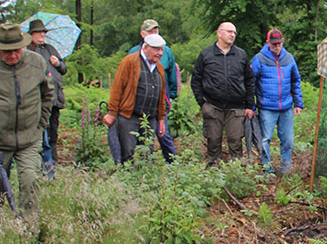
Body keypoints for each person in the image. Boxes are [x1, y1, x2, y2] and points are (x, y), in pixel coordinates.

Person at [0, 22, 53, 216]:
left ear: (23, 46)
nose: (12, 55)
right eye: (6, 51)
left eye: (16, 50)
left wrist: (41, 124)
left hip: (29, 138)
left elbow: (48, 94)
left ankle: (29, 231)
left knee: (30, 179)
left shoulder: (36, 63)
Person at [191, 22, 256, 165]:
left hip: (236, 106)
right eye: (229, 31)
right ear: (219, 33)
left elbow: (249, 79)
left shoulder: (241, 54)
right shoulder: (206, 54)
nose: (232, 35)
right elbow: (196, 79)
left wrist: (249, 105)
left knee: (235, 141)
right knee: (213, 140)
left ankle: (236, 173)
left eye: (234, 32)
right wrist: (202, 103)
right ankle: (214, 173)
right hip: (213, 105)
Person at [103, 34, 168, 164]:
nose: (159, 53)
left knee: (147, 154)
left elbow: (161, 95)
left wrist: (161, 119)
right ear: (146, 47)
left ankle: (144, 181)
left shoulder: (159, 67)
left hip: (149, 118)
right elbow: (117, 88)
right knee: (127, 153)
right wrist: (111, 113)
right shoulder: (129, 62)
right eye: (156, 49)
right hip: (129, 116)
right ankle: (125, 181)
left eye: (161, 50)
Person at [251, 29, 303, 174]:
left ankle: (286, 168)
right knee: (264, 139)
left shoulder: (289, 58)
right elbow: (251, 83)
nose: (277, 46)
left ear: (282, 41)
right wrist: (252, 105)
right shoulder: (259, 59)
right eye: (273, 44)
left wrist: (298, 103)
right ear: (268, 43)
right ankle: (267, 169)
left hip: (286, 106)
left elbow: (295, 81)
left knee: (288, 140)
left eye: (279, 43)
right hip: (266, 106)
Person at [129, 19, 178, 163]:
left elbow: (172, 77)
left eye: (156, 31)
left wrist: (172, 96)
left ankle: (172, 163)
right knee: (138, 134)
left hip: (161, 101)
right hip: (138, 103)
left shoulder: (166, 52)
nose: (154, 33)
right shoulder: (133, 53)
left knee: (163, 133)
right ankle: (139, 165)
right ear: (142, 34)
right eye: (150, 31)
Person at [27, 18, 67, 174]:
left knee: (53, 132)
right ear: (31, 34)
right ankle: (40, 165)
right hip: (39, 100)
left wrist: (58, 64)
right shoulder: (27, 52)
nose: (42, 34)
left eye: (43, 32)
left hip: (55, 98)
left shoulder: (50, 49)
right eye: (39, 32)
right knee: (40, 133)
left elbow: (64, 69)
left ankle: (53, 164)